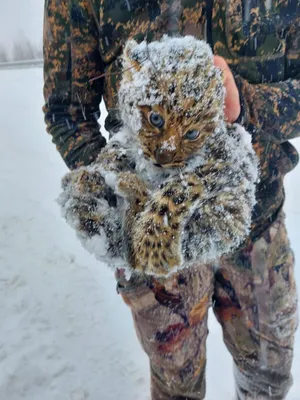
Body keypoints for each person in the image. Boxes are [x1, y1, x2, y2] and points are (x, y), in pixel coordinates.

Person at [43, 1, 299, 398]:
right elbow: (66, 111)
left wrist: (246, 104)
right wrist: (117, 190)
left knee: (268, 376)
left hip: (258, 222)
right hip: (154, 243)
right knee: (175, 387)